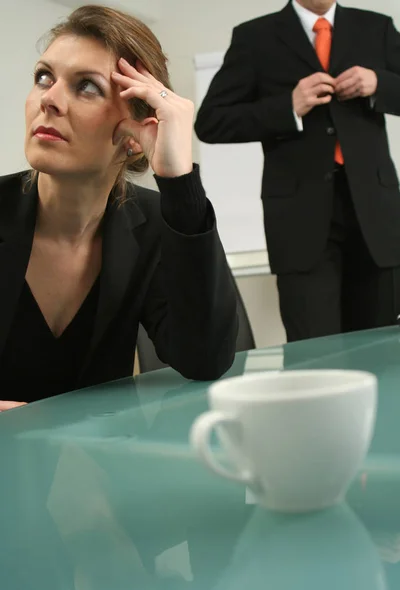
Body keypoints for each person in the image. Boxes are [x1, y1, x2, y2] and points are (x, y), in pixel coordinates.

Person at [0, 5, 238, 411]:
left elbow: (205, 358)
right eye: (44, 77)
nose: (50, 100)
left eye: (86, 86)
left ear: (132, 134)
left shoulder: (153, 226)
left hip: (94, 466)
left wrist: (178, 179)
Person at [195, 0, 400, 343]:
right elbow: (210, 122)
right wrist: (287, 107)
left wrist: (379, 83)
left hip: (377, 219)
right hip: (299, 223)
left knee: (382, 350)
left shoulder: (376, 27)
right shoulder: (254, 37)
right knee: (315, 354)